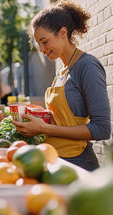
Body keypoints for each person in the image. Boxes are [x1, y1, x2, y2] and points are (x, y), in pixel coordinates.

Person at [12, 0, 111, 171]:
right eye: (39, 44)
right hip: (55, 159)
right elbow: (63, 118)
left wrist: (43, 128)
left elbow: (102, 129)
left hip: (78, 164)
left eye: (45, 41)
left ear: (62, 33)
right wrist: (37, 117)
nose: (42, 49)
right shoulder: (62, 70)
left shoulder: (87, 66)